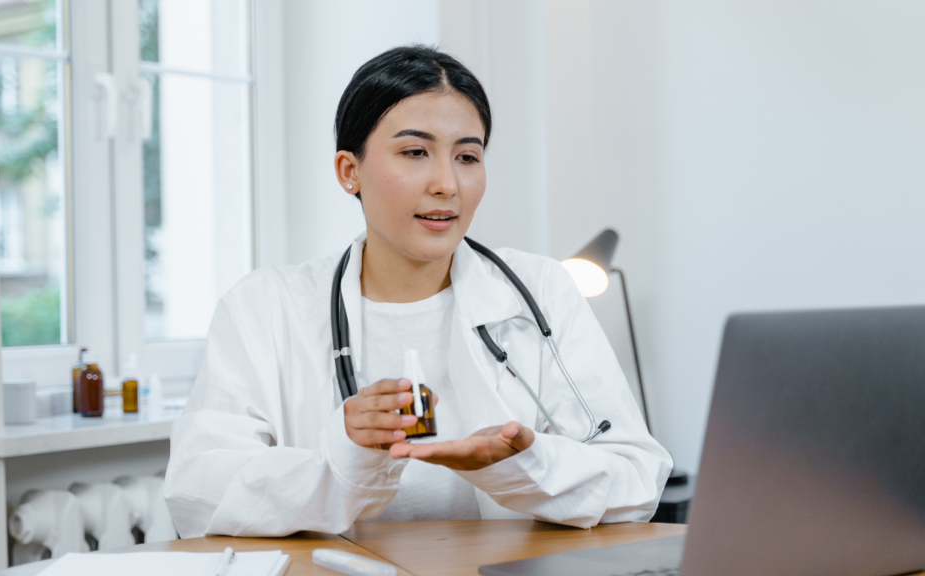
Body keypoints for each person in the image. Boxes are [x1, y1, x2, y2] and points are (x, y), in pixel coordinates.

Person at [164, 45, 672, 538]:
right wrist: (346, 456)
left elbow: (637, 478)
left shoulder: (538, 290)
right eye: (415, 152)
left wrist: (523, 462)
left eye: (468, 156)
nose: (447, 183)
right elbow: (198, 493)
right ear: (349, 171)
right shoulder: (264, 308)